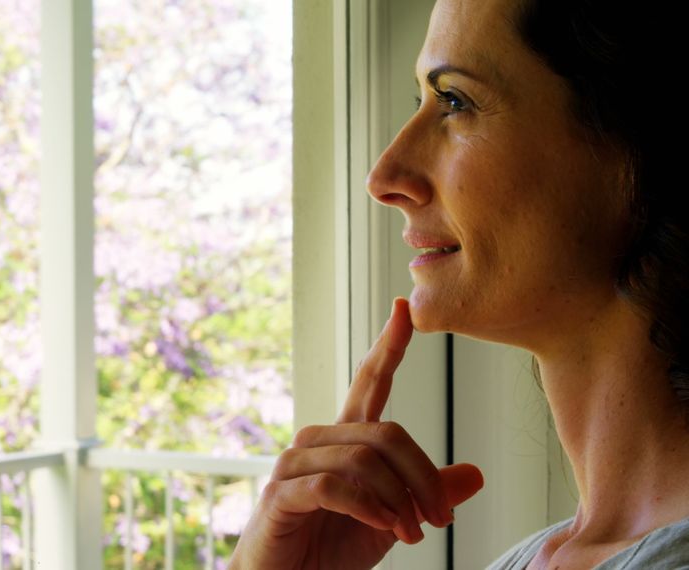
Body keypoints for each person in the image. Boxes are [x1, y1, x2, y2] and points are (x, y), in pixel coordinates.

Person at [229, 0, 688, 568]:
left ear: (637, 146)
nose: (384, 177)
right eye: (423, 99)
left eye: (454, 101)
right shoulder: (540, 557)